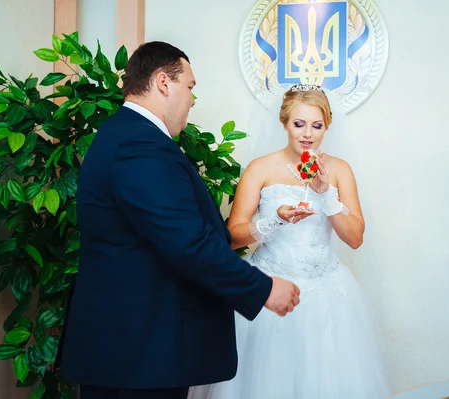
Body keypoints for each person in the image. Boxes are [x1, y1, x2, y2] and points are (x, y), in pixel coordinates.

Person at [56, 41, 304, 399]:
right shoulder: (137, 145)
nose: (191, 98)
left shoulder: (127, 135)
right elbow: (187, 242)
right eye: (189, 86)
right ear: (162, 82)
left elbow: (185, 233)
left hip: (139, 350)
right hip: (136, 352)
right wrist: (262, 288)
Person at [188, 84, 392, 398]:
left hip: (326, 293)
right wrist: (273, 220)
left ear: (327, 125)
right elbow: (231, 237)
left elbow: (354, 238)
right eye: (299, 124)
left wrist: (328, 196)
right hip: (269, 289)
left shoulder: (338, 170)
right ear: (284, 123)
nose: (307, 134)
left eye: (317, 125)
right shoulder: (261, 169)